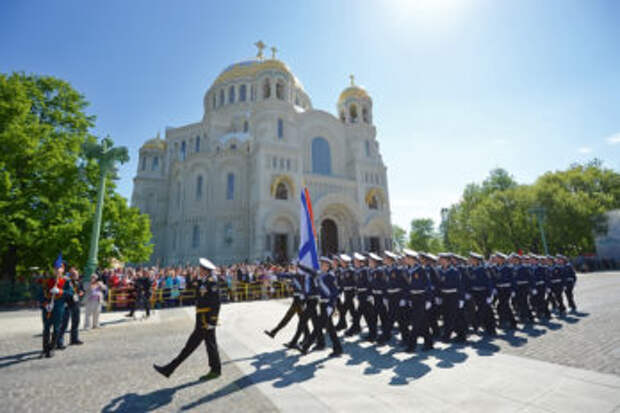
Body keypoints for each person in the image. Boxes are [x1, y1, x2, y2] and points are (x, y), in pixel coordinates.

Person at [154, 258, 222, 381]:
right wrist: (190, 274)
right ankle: (216, 369)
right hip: (201, 318)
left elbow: (216, 303)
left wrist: (213, 321)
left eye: (200, 268)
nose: (198, 270)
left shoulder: (212, 282)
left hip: (205, 320)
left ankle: (169, 369)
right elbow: (191, 285)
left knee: (190, 346)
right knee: (210, 344)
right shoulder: (202, 281)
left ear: (205, 270)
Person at [299, 257, 343, 357]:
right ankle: (338, 348)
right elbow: (310, 271)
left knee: (318, 326)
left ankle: (305, 347)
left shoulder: (330, 276)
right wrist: (300, 265)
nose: (321, 265)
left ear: (328, 266)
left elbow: (335, 293)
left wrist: (331, 306)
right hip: (322, 304)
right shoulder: (320, 274)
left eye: (323, 264)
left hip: (328, 305)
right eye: (321, 264)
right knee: (330, 328)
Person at [37, 256, 73, 358]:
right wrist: (45, 304)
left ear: (63, 270)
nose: (58, 270)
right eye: (56, 268)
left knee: (56, 328)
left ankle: (52, 348)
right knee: (46, 328)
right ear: (53, 269)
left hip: (59, 308)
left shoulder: (66, 282)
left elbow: (71, 293)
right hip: (47, 308)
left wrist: (61, 291)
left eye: (60, 268)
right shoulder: (47, 281)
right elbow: (40, 295)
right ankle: (45, 349)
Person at [264, 263, 308, 344]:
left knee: (292, 318)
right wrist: (274, 273)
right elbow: (284, 276)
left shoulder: (302, 276)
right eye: (293, 266)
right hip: (297, 299)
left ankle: (275, 332)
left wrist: (276, 275)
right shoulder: (295, 275)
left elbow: (299, 285)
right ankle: (274, 332)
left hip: (300, 300)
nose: (293, 268)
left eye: (295, 266)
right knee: (299, 319)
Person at [57, 266, 84, 347]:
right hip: (67, 304)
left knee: (76, 322)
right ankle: (59, 341)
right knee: (64, 324)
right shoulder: (67, 282)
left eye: (77, 274)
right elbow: (63, 292)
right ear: (71, 275)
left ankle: (74, 339)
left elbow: (80, 291)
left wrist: (81, 293)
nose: (77, 276)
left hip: (76, 303)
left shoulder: (77, 282)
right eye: (75, 274)